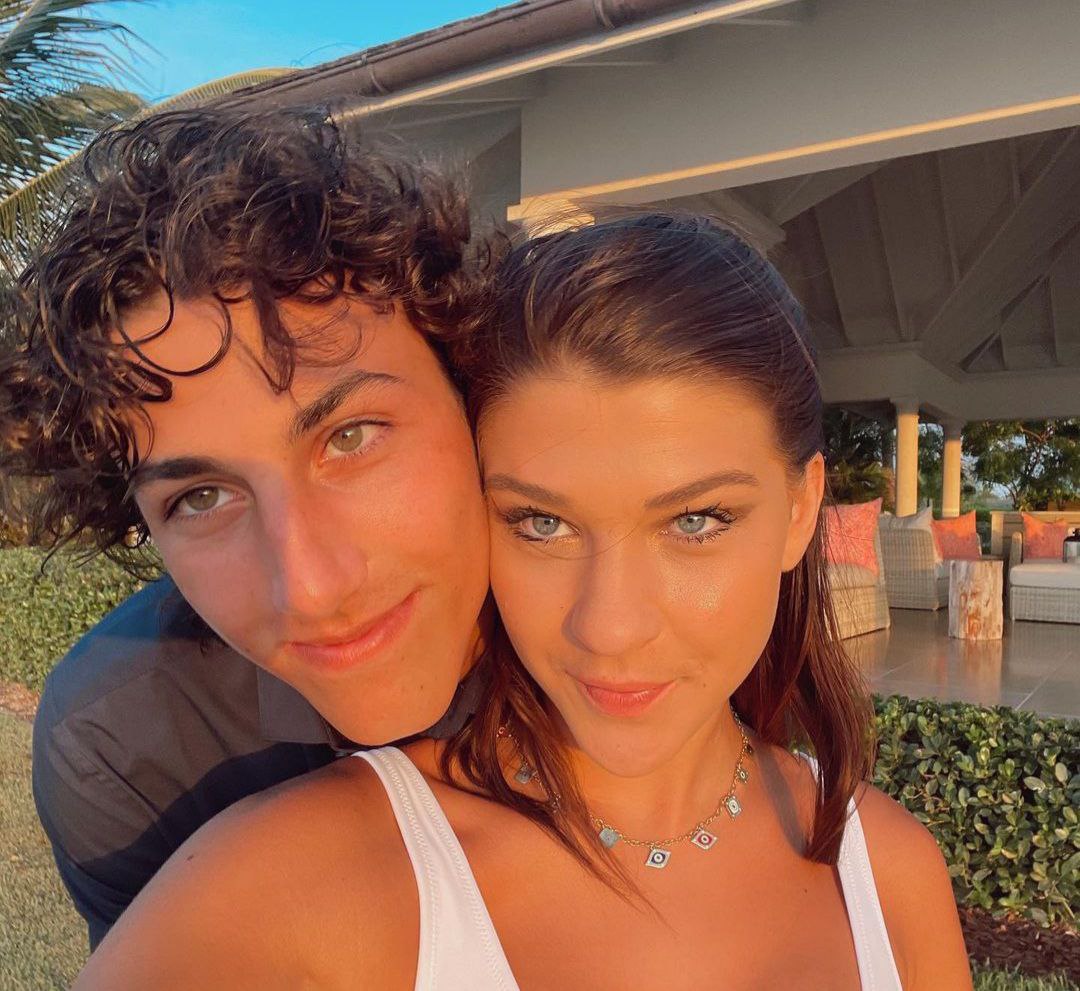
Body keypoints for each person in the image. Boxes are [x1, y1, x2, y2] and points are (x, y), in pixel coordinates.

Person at [74, 213, 973, 989]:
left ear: (801, 511)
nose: (609, 627)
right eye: (542, 523)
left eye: (696, 520)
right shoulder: (285, 888)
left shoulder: (893, 873)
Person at [0, 107, 493, 947]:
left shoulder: (628, 623)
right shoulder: (131, 744)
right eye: (201, 498)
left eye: (351, 437)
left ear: (472, 393)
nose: (311, 588)